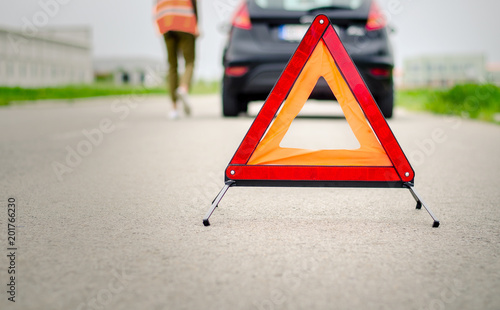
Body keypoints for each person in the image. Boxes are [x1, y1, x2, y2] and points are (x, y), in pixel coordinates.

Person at [155, 0, 199, 119]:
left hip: (167, 23)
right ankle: (183, 88)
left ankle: (174, 108)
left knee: (172, 65)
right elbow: (194, 3)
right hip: (185, 22)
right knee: (189, 61)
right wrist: (197, 24)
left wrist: (159, 24)